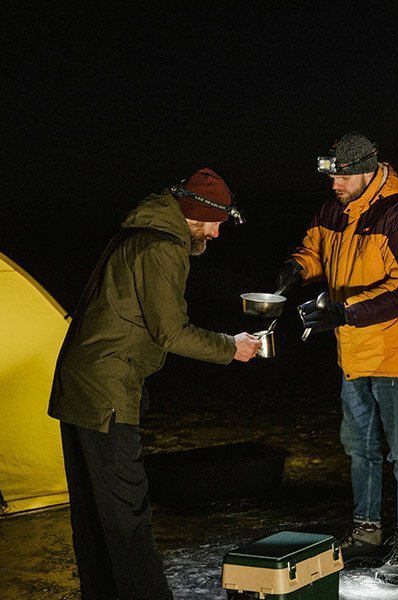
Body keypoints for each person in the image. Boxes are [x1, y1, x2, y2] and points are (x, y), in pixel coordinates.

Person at [48, 167, 262, 600]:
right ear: (198, 214)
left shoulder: (139, 235)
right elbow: (172, 332)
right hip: (106, 393)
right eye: (217, 224)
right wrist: (230, 346)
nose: (218, 235)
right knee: (127, 513)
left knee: (95, 516)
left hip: (81, 387)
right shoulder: (162, 248)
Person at [275, 131, 398, 586]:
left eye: (343, 177)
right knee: (359, 445)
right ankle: (367, 533)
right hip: (353, 348)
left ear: (368, 170)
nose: (336, 185)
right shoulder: (335, 209)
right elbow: (315, 248)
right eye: (334, 177)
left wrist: (346, 311)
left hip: (395, 350)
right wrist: (297, 268)